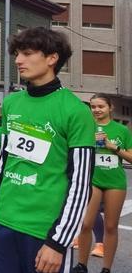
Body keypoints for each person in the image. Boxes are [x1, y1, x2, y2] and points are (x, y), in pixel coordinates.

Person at [0, 27, 95, 273]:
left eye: (28, 53)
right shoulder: (11, 103)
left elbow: (81, 183)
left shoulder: (76, 111)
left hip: (44, 230)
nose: (19, 60)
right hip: (4, 223)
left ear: (52, 58)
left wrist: (58, 241)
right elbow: (4, 162)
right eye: (18, 54)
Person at [71, 94, 132, 273]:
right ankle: (82, 265)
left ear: (110, 108)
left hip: (115, 181)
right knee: (86, 223)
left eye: (101, 106)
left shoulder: (122, 130)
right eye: (93, 106)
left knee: (111, 226)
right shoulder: (86, 127)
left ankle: (106, 268)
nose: (97, 110)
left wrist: (115, 147)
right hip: (93, 180)